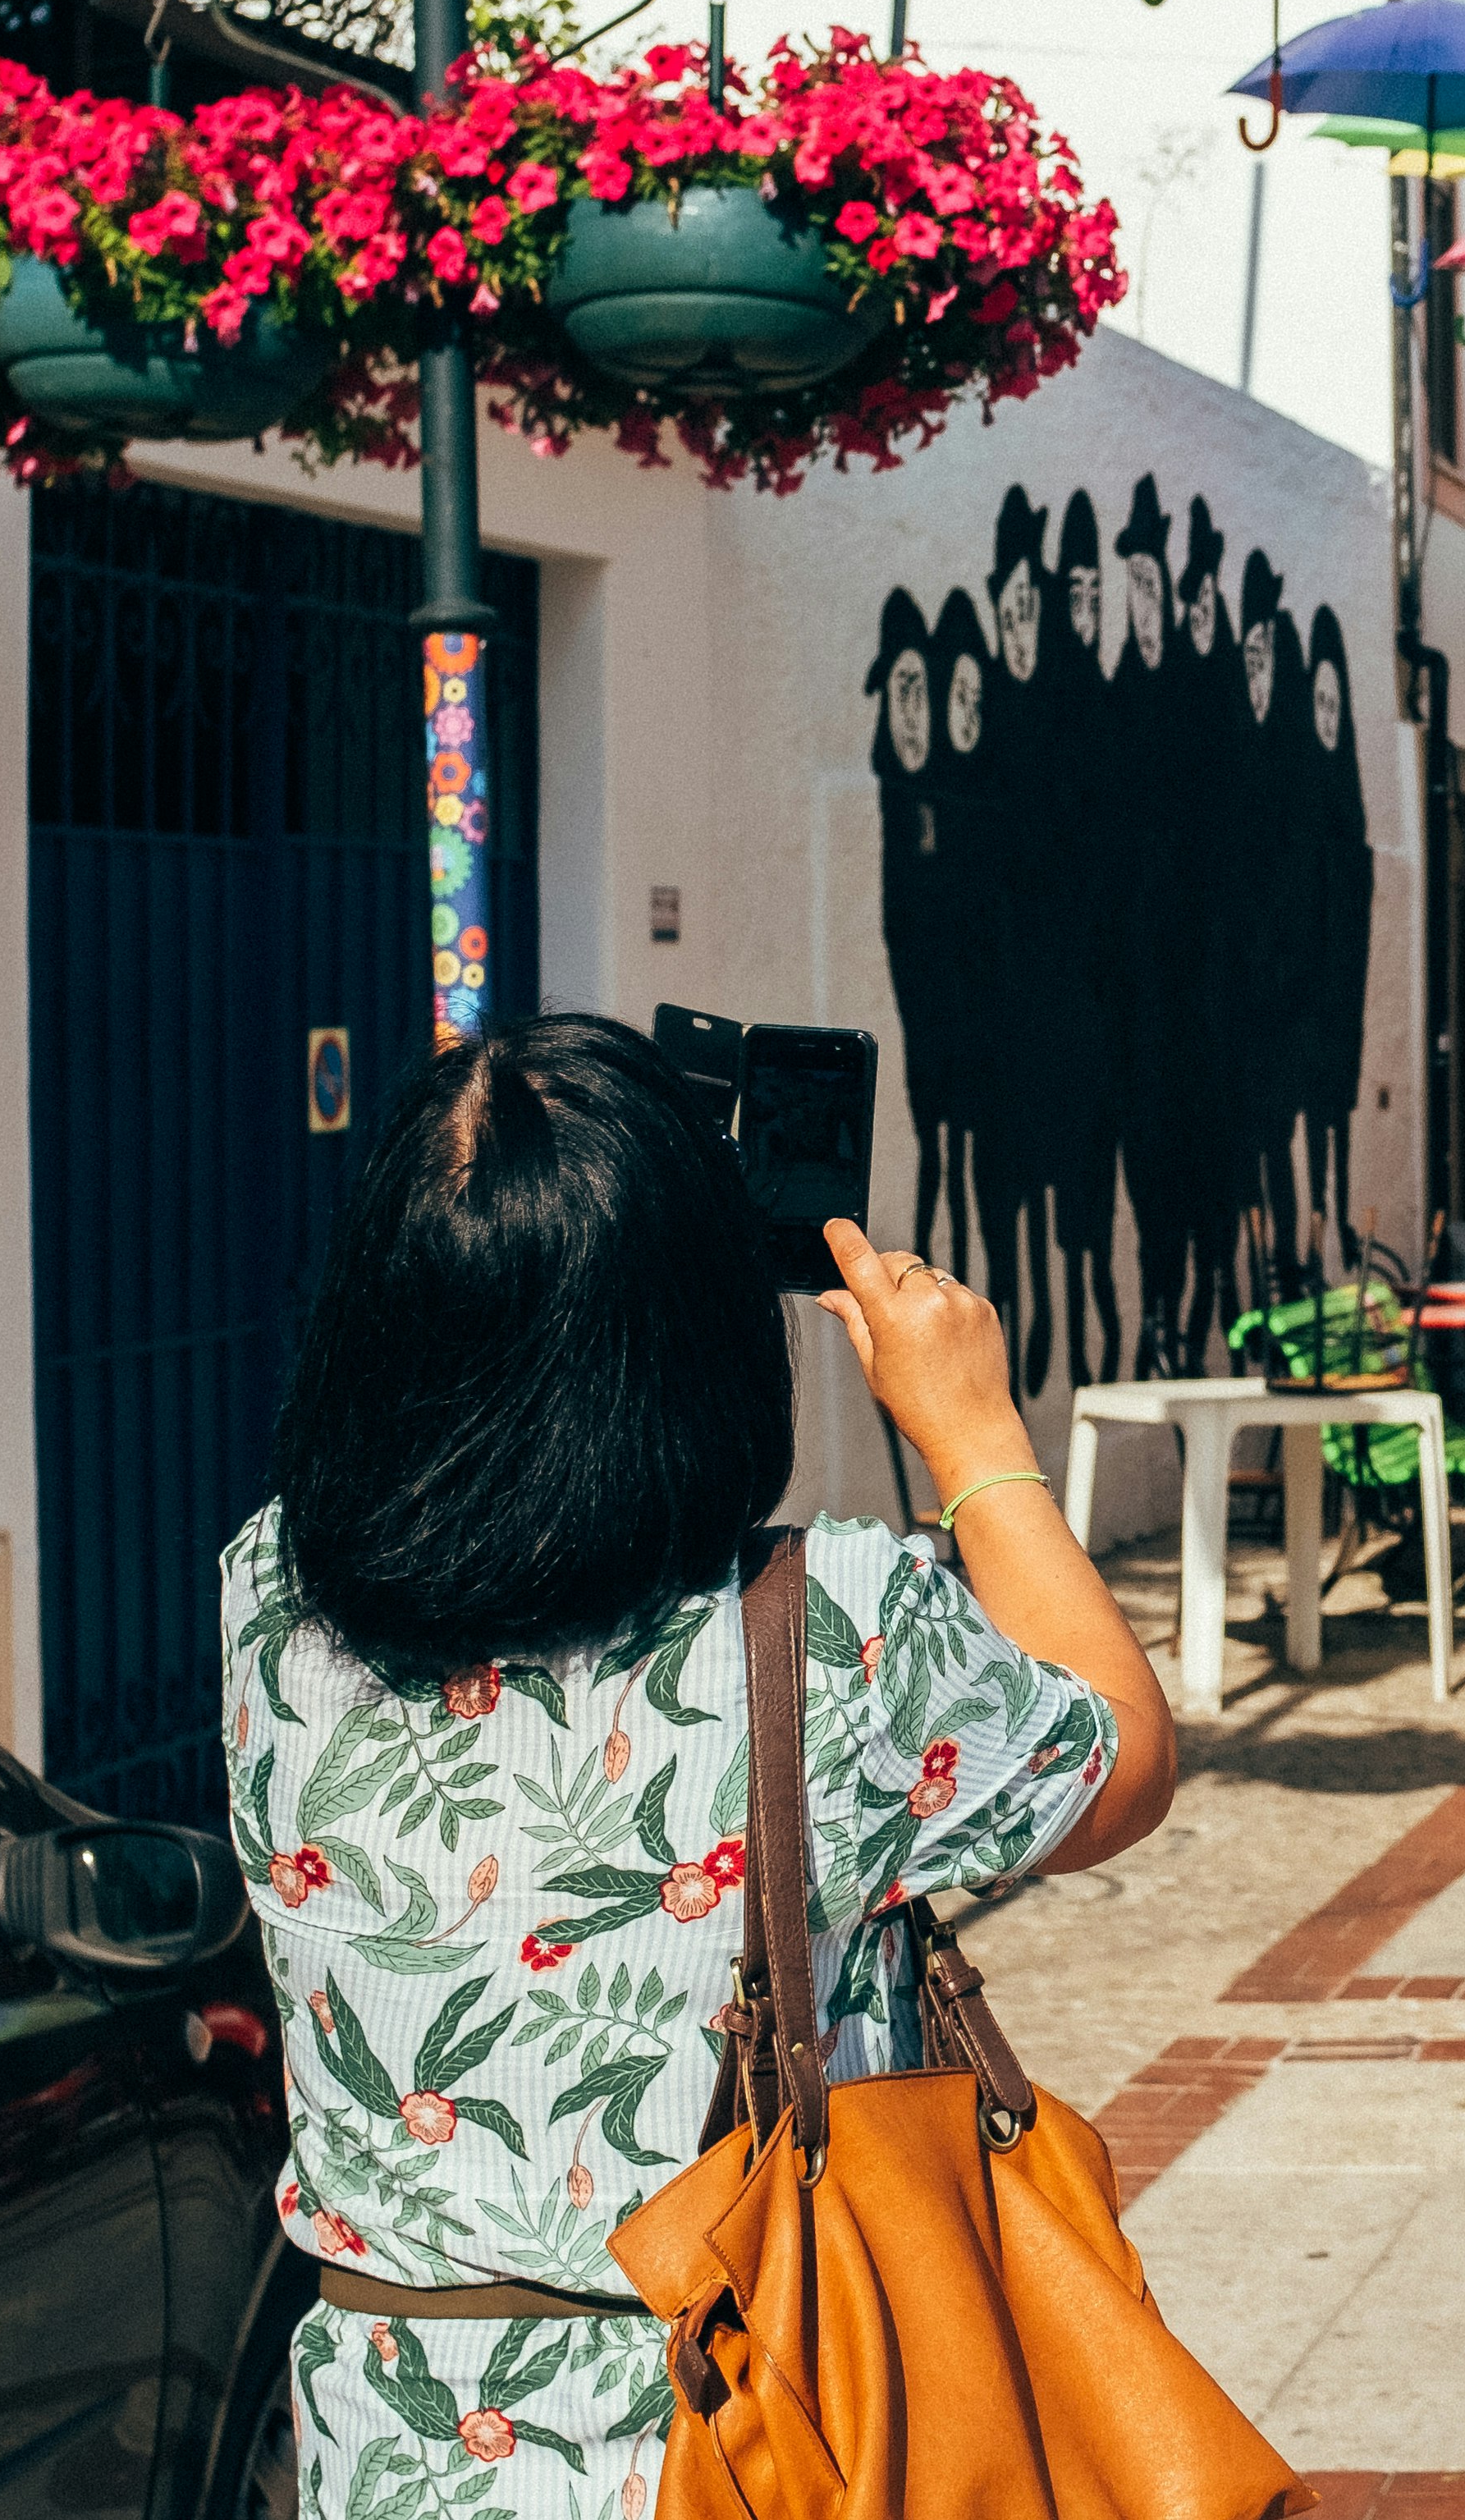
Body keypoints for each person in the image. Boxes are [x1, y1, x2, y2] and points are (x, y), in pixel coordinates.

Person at [228, 1015, 1174, 2520]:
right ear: (701, 1327)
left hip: (393, 2447)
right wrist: (976, 1436)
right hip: (742, 2441)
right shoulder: (822, 1628)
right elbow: (1115, 1758)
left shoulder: (267, 1597)